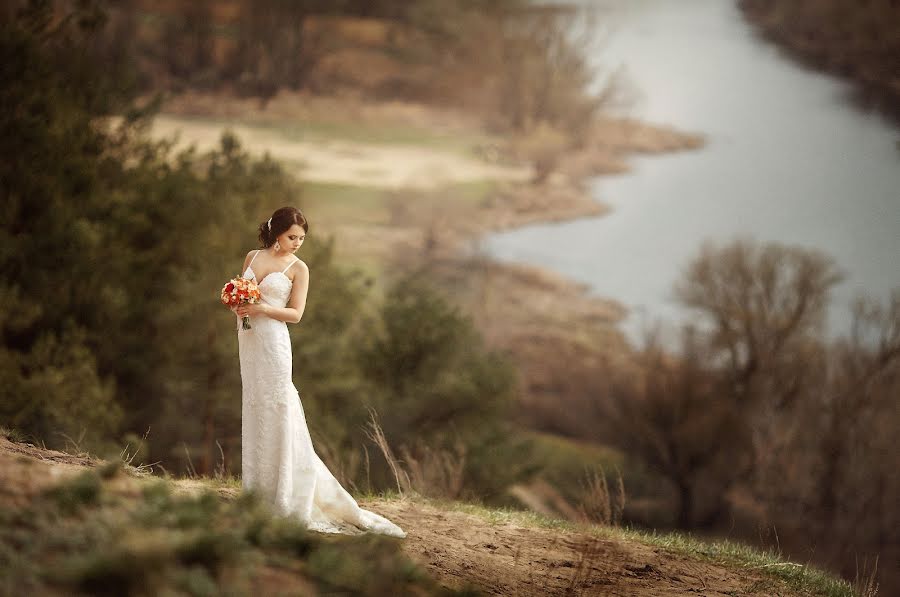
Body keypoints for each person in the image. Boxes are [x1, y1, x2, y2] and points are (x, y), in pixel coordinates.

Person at [231, 206, 406, 538]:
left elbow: (296, 314)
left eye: (302, 238)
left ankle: (284, 492)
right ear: (276, 232)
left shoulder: (299, 268)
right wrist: (241, 313)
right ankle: (257, 490)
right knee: (255, 407)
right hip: (249, 341)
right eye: (292, 237)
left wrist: (262, 308)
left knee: (278, 406)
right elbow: (242, 291)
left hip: (275, 344)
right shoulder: (252, 257)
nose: (298, 243)